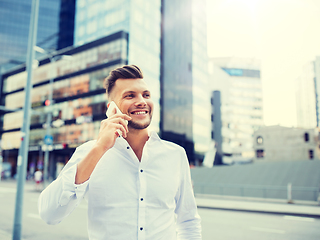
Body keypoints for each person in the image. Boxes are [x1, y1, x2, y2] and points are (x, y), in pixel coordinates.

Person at [38, 65, 202, 239]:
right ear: (111, 108)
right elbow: (50, 214)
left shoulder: (175, 155)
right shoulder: (89, 152)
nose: (142, 101)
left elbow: (188, 221)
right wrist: (100, 147)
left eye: (146, 95)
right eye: (130, 95)